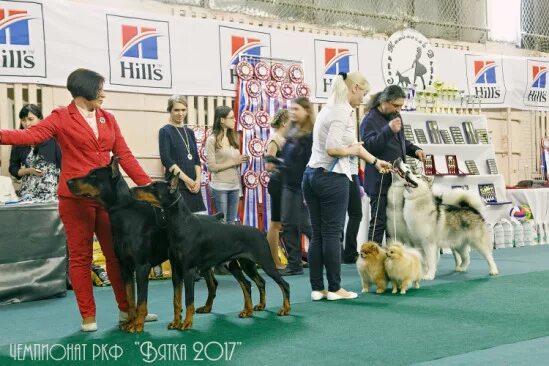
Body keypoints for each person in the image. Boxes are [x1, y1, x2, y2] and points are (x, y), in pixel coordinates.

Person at [0, 68, 156, 332]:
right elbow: (30, 136)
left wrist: (150, 189)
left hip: (109, 201)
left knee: (116, 256)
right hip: (75, 198)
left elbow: (125, 156)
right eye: (99, 89)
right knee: (81, 258)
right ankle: (88, 316)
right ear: (83, 91)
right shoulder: (61, 117)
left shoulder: (108, 118)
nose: (103, 94)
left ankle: (126, 310)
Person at [302, 71, 391, 301]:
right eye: (363, 92)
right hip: (331, 178)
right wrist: (352, 150)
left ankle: (317, 288)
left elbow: (354, 146)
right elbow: (334, 148)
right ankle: (335, 288)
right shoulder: (343, 111)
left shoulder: (328, 108)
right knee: (332, 234)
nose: (364, 97)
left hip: (311, 175)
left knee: (319, 234)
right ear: (354, 88)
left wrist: (375, 161)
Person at [360, 85, 426, 244]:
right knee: (378, 222)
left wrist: (415, 150)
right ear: (384, 101)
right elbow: (368, 147)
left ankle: (394, 261)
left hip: (397, 180)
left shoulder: (395, 115)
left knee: (395, 224)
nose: (399, 110)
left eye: (401, 106)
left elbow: (401, 142)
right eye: (396, 105)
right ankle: (371, 262)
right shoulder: (369, 120)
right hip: (379, 180)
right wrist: (388, 130)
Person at [279, 97, 314, 276]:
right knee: (287, 224)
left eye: (296, 109)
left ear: (306, 111)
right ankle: (294, 264)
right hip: (288, 184)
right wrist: (277, 163)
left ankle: (324, 257)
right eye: (291, 109)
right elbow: (287, 159)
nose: (292, 112)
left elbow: (308, 163)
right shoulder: (291, 132)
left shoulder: (310, 135)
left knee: (306, 225)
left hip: (302, 185)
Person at [159, 95, 206, 214]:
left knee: (199, 223)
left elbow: (196, 159)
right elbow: (166, 160)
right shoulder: (165, 131)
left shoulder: (189, 132)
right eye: (176, 110)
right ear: (170, 110)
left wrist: (197, 181)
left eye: (183, 110)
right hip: (177, 186)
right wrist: (187, 180)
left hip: (194, 186)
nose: (180, 113)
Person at [9, 104, 61, 202]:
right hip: (27, 195)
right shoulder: (18, 142)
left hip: (52, 194)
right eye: (23, 120)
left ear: (40, 119)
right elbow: (13, 169)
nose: (27, 123)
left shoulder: (53, 140)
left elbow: (64, 166)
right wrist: (29, 170)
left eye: (30, 119)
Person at [205, 105, 247, 224]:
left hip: (235, 186)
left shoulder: (233, 137)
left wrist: (241, 160)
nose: (235, 120)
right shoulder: (212, 140)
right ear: (222, 120)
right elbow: (212, 167)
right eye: (231, 118)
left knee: (232, 223)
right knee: (221, 224)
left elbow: (233, 161)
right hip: (220, 188)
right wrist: (234, 161)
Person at [264, 109, 290, 270]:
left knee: (284, 223)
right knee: (275, 224)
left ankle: (289, 257)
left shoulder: (286, 139)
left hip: (286, 184)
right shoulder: (275, 139)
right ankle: (273, 261)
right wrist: (287, 163)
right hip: (277, 184)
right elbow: (268, 166)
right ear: (285, 123)